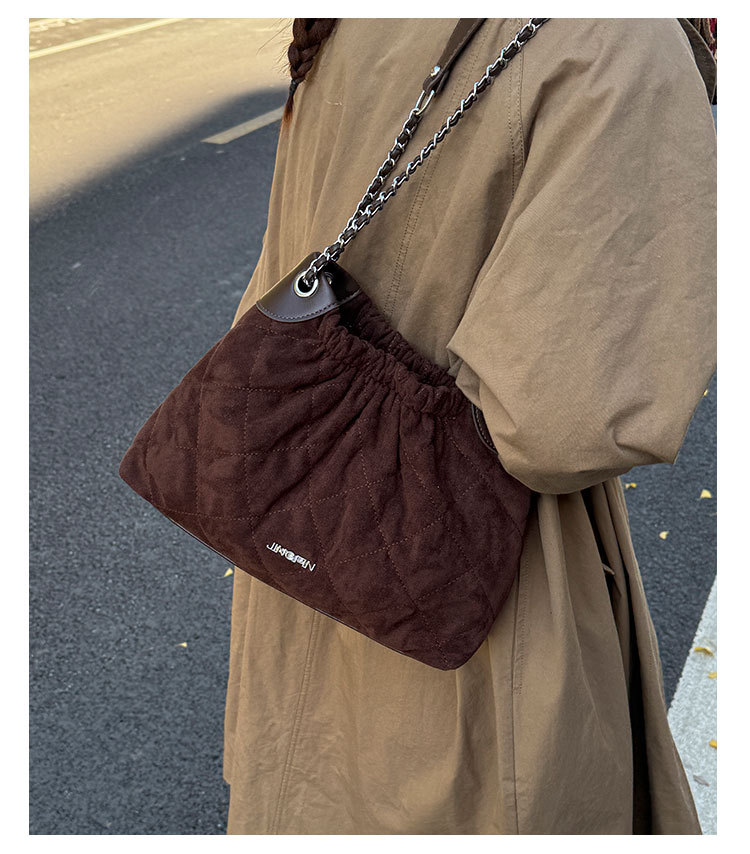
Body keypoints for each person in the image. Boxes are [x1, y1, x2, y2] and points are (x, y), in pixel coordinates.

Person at [222, 18, 716, 834]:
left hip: (302, 555)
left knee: (306, 790)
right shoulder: (613, 39)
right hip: (472, 610)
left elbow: (278, 289)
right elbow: (567, 419)